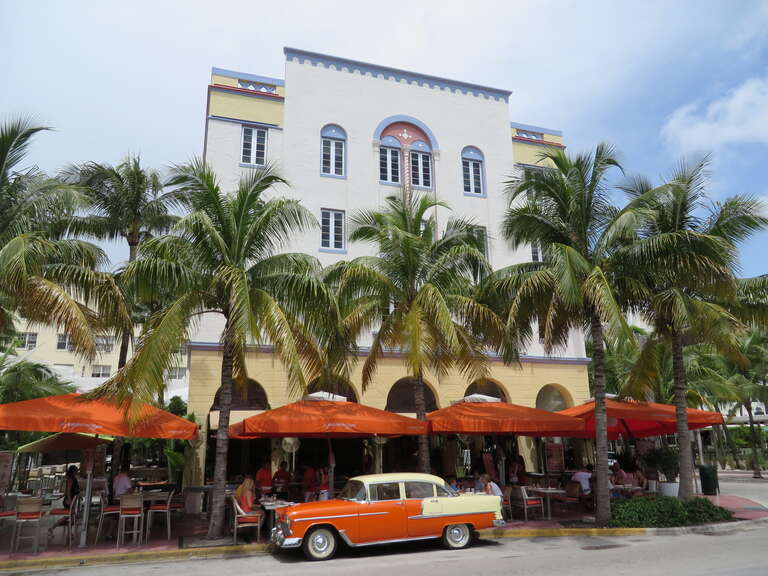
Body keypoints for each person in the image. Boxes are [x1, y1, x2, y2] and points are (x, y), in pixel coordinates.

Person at [49, 465, 80, 540]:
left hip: (70, 499)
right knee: (71, 516)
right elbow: (68, 490)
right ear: (73, 471)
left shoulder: (72, 478)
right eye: (76, 470)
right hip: (69, 500)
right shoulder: (71, 479)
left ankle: (54, 528)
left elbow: (68, 490)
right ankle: (68, 533)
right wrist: (69, 499)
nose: (77, 472)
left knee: (70, 516)